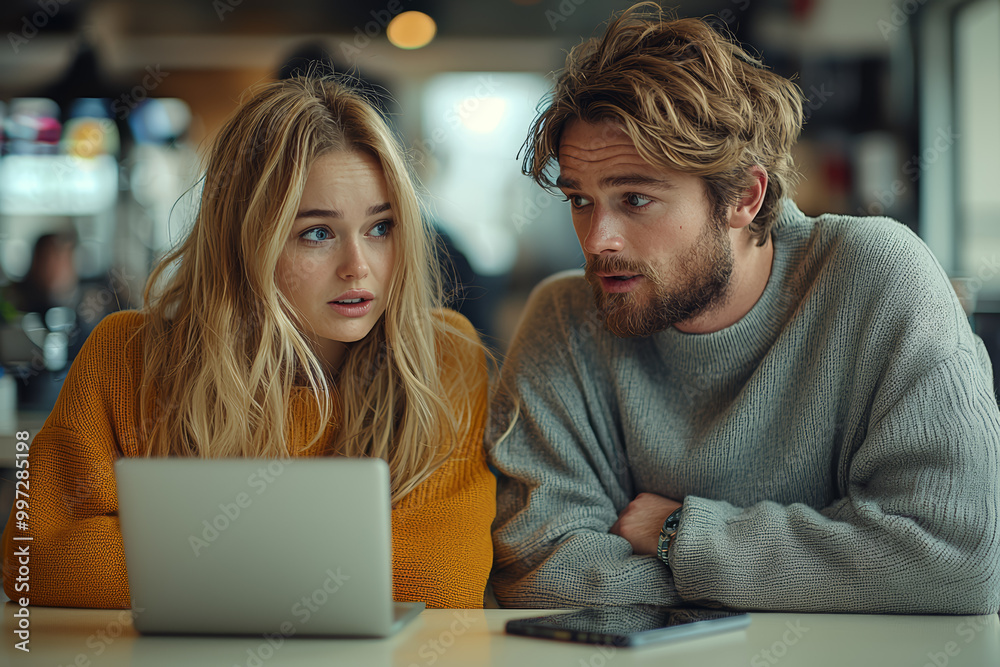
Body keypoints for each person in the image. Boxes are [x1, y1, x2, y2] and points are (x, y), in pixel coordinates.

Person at [488, 4, 1000, 614]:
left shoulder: (875, 277)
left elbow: (950, 563)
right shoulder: (564, 318)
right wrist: (822, 576)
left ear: (744, 197)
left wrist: (680, 537)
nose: (598, 240)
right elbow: (542, 572)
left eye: (635, 198)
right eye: (580, 200)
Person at [1, 75, 495, 609]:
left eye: (381, 228)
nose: (359, 268)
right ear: (244, 238)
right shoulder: (128, 356)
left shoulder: (442, 355)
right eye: (317, 233)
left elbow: (441, 578)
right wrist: (339, 564)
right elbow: (36, 560)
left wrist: (182, 557)